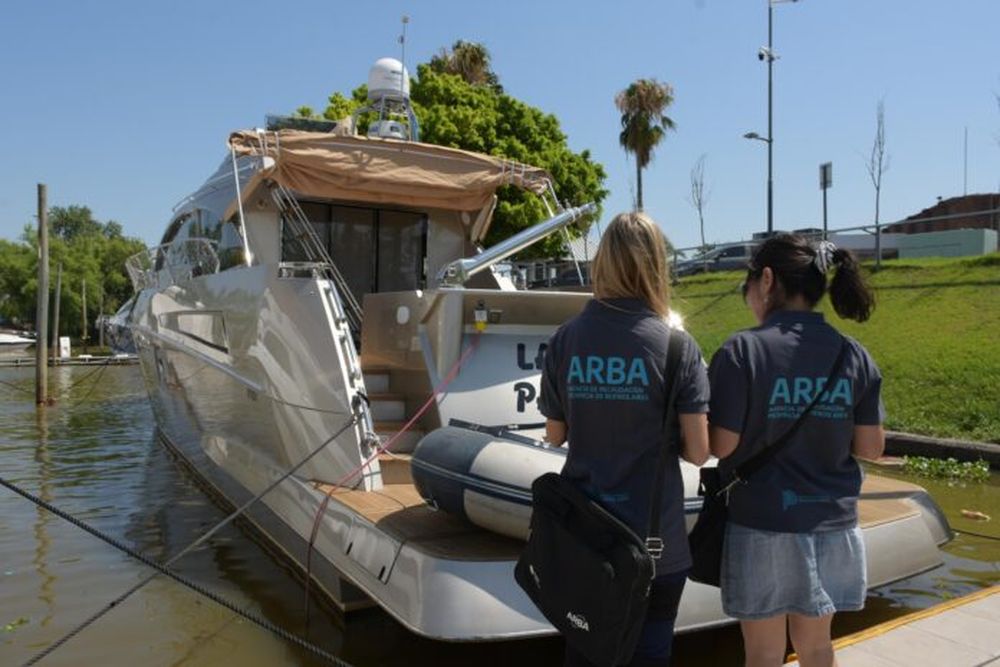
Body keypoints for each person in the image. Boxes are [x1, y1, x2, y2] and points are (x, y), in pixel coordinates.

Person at [538, 211, 711, 667]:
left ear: (603, 264)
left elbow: (555, 435)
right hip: (655, 546)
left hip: (585, 542)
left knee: (585, 650)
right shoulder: (678, 346)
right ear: (656, 265)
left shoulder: (566, 339)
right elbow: (698, 451)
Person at [707, 235, 885, 667]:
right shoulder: (852, 353)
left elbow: (721, 446)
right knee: (817, 647)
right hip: (833, 523)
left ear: (766, 280)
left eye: (746, 286)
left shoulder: (741, 351)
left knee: (764, 653)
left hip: (764, 521)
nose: (747, 297)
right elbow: (871, 447)